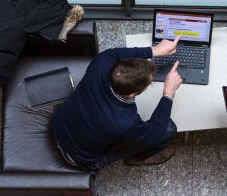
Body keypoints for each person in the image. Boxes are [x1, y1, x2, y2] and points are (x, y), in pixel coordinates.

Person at [52, 35, 183, 172]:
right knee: (168, 130)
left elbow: (113, 53)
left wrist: (154, 50)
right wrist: (169, 93)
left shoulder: (99, 65)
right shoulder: (125, 121)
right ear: (132, 94)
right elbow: (155, 133)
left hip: (59, 123)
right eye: (149, 83)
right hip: (78, 156)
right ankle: (137, 158)